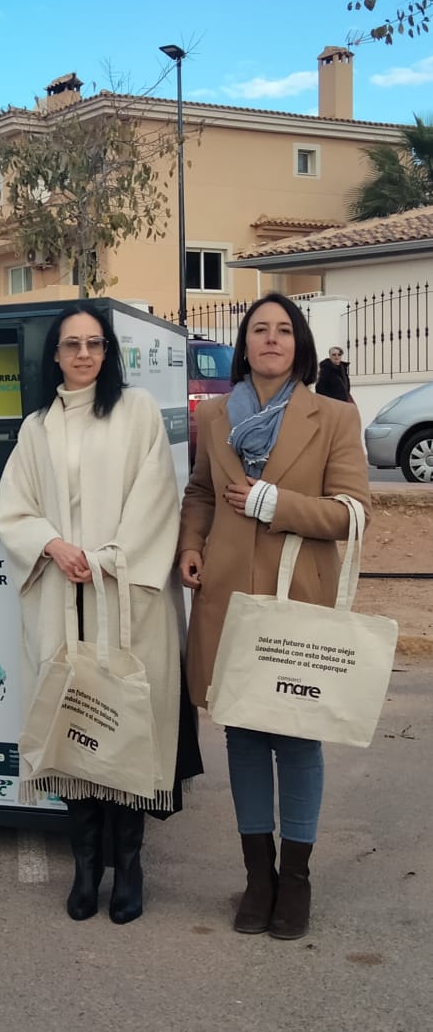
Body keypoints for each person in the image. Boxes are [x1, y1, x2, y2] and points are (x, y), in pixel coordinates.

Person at [178, 294, 370, 941]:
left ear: (299, 343)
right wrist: (191, 546)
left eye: (283, 329)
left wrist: (275, 502)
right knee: (243, 736)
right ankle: (257, 877)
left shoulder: (334, 416)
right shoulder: (213, 413)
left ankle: (297, 879)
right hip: (228, 596)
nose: (270, 338)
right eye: (259, 329)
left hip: (298, 599)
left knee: (297, 737)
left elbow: (349, 511)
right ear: (244, 343)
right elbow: (201, 491)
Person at [0, 304, 187, 924]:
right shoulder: (36, 428)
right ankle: (86, 867)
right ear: (54, 354)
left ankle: (129, 864)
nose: (83, 354)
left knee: (124, 724)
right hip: (60, 593)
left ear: (109, 353)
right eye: (72, 344)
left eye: (95, 344)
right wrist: (53, 546)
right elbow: (14, 510)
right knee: (73, 725)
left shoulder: (137, 415)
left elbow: (157, 496)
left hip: (125, 597)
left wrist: (108, 559)